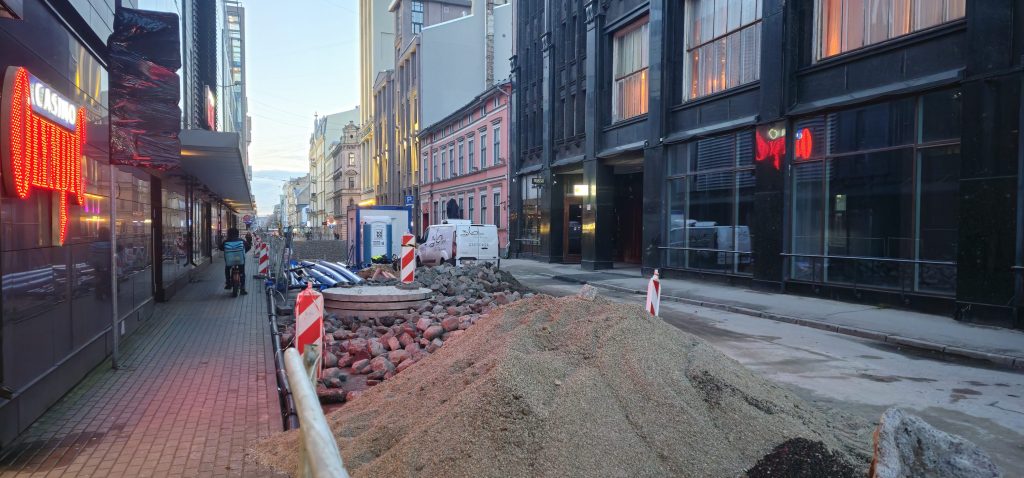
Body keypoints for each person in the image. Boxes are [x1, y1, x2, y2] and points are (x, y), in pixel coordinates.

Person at [219, 227, 251, 294]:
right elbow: (249, 247)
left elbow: (220, 248)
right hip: (240, 260)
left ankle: (228, 283)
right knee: (242, 272)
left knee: (227, 269)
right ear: (237, 233)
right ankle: (242, 288)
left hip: (229, 260)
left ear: (228, 234)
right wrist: (243, 252)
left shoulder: (226, 241)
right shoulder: (241, 241)